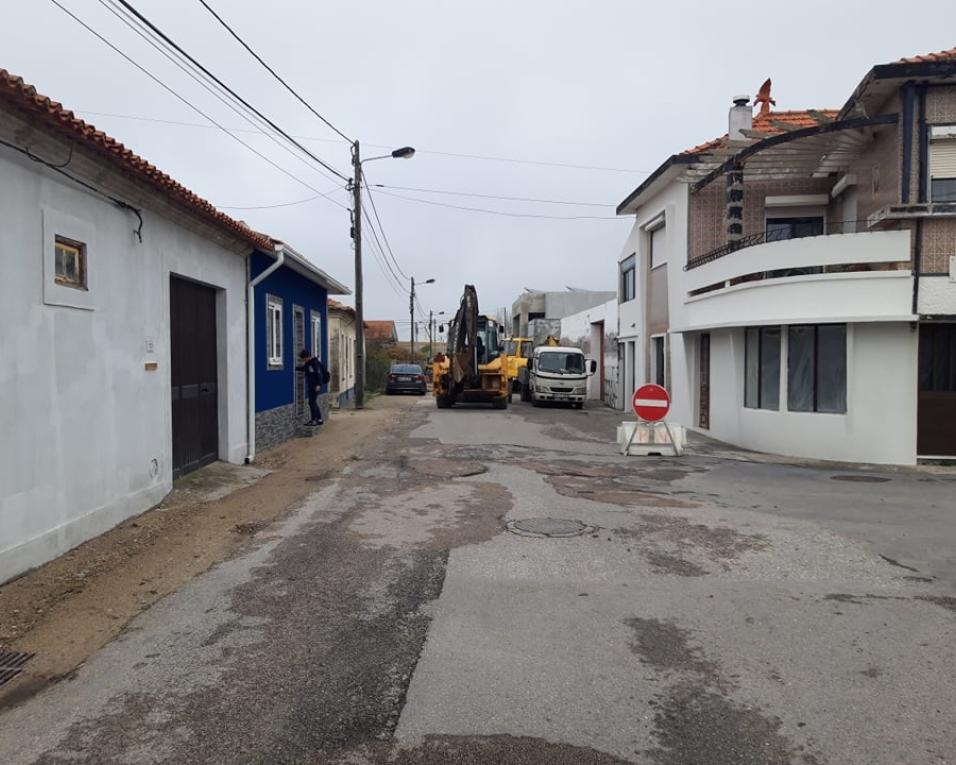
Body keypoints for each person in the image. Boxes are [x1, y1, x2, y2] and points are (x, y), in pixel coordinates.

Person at [297, 349, 327, 426]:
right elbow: (304, 369)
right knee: (313, 402)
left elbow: (319, 374)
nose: (304, 360)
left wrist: (318, 385)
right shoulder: (308, 364)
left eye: (304, 358)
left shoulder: (314, 363)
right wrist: (295, 368)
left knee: (311, 402)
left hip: (315, 386)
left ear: (307, 357)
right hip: (312, 385)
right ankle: (319, 419)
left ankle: (314, 420)